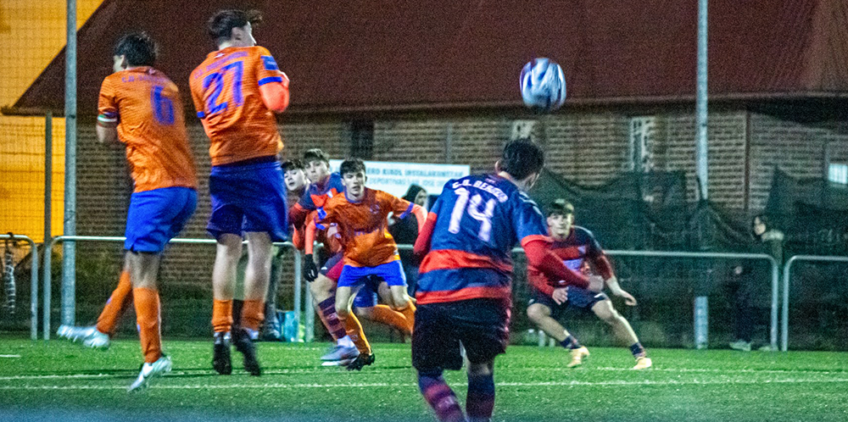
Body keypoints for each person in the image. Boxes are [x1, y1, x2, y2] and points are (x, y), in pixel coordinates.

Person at [412, 139, 595, 422]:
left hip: (437, 287)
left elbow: (419, 246)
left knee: (429, 372)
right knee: (481, 367)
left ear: (499, 165)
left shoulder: (453, 187)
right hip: (486, 294)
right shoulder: (521, 201)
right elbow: (539, 257)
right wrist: (583, 281)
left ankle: (452, 417)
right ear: (532, 178)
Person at [57, 32, 198, 391]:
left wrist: (123, 127)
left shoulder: (115, 82)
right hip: (185, 189)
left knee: (143, 273)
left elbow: (104, 137)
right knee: (134, 263)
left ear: (122, 58)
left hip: (153, 187)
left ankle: (154, 356)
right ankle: (103, 329)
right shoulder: (168, 85)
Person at [189, 8, 290, 376]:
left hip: (223, 164)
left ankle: (220, 331)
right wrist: (282, 80)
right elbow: (277, 101)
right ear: (237, 33)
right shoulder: (257, 55)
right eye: (249, 31)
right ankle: (249, 327)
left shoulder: (198, 74)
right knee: (261, 249)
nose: (253, 38)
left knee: (226, 248)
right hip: (259, 162)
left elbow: (207, 124)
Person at [315, 158, 426, 370]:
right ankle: (364, 353)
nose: (355, 181)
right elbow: (316, 224)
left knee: (400, 300)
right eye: (350, 177)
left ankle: (424, 345)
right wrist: (313, 248)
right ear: (343, 181)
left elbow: (418, 210)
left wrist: (422, 236)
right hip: (356, 262)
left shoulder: (380, 197)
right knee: (341, 309)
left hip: (385, 258)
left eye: (359, 176)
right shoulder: (335, 203)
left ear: (365, 177)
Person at [526, 199, 652, 370]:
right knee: (535, 312)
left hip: (580, 284)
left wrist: (615, 288)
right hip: (554, 286)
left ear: (571, 219)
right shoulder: (540, 241)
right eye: (556, 217)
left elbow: (600, 260)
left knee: (608, 313)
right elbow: (533, 275)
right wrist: (551, 290)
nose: (561, 221)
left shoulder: (582, 236)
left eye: (565, 217)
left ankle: (641, 356)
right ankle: (575, 348)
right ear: (549, 221)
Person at [290, 149, 360, 364]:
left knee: (321, 289)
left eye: (317, 165)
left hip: (360, 247)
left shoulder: (337, 182)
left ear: (327, 167)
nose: (312, 169)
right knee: (335, 300)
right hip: (348, 251)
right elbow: (295, 216)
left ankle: (347, 345)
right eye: (308, 166)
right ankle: (349, 346)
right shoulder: (312, 192)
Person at [729, 214, 784, 352]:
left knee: (766, 312)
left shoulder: (772, 242)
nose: (757, 227)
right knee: (747, 308)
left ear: (767, 224)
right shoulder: (760, 242)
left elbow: (772, 262)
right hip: (757, 284)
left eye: (760, 224)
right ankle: (746, 340)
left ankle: (769, 342)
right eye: (755, 225)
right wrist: (743, 268)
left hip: (766, 284)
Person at [389, 184, 428, 295]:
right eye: (420, 197)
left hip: (415, 260)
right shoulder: (401, 213)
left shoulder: (422, 214)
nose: (422, 200)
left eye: (424, 197)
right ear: (413, 196)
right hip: (401, 259)